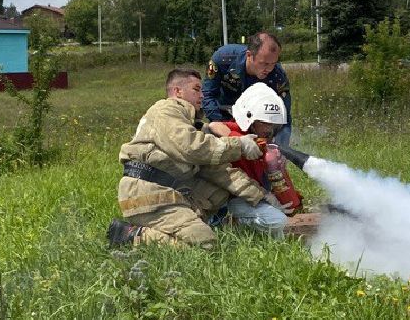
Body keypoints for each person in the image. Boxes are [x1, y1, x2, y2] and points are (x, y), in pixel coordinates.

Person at [109, 68, 289, 248]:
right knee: (205, 245)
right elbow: (191, 147)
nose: (202, 96)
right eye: (196, 89)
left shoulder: (189, 123)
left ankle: (196, 224)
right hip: (148, 195)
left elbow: (220, 171)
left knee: (222, 191)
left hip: (164, 192)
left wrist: (262, 195)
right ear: (177, 92)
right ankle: (132, 235)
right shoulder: (165, 110)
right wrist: (239, 145)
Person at [221, 82, 303, 214]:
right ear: (249, 120)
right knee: (273, 220)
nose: (269, 130)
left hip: (253, 193)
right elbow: (214, 126)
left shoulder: (265, 143)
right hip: (232, 197)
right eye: (265, 123)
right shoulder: (235, 131)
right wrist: (241, 141)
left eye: (274, 125)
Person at [201, 32, 292, 144]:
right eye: (264, 63)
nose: (269, 69)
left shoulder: (278, 75)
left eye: (273, 63)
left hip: (254, 121)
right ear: (249, 55)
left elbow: (284, 114)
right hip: (222, 114)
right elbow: (207, 94)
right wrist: (222, 125)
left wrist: (280, 147)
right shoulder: (223, 59)